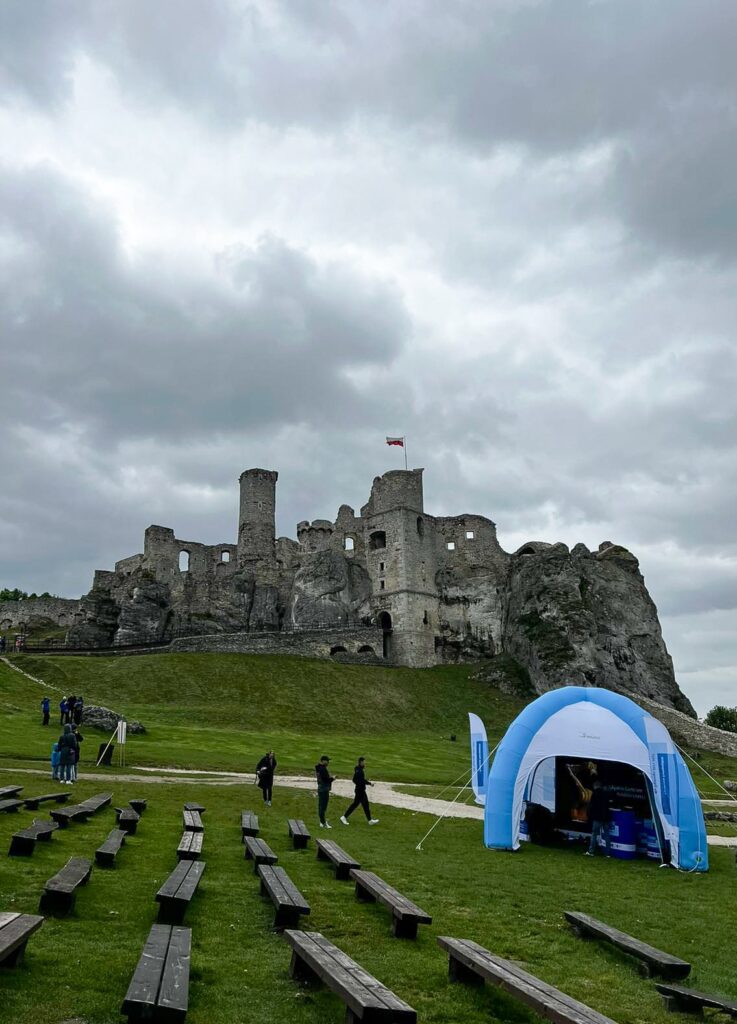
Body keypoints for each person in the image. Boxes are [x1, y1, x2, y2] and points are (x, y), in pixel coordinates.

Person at [340, 757, 379, 826]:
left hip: (359, 790)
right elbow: (361, 781)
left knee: (361, 804)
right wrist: (370, 783)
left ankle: (369, 820)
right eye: (364, 762)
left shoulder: (357, 769)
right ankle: (344, 817)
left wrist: (359, 783)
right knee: (362, 805)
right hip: (360, 791)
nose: (365, 763)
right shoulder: (360, 771)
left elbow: (354, 779)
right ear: (361, 762)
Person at [585, 780, 611, 857]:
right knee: (607, 835)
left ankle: (591, 851)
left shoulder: (594, 794)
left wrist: (589, 815)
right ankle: (607, 853)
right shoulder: (606, 794)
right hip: (606, 817)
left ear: (595, 786)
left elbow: (591, 806)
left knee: (594, 834)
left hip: (597, 817)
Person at [315, 755, 335, 829]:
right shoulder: (323, 769)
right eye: (327, 761)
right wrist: (333, 778)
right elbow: (326, 779)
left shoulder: (319, 767)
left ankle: (321, 821)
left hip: (321, 789)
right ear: (323, 761)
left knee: (321, 806)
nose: (328, 762)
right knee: (323, 807)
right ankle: (323, 823)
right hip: (324, 789)